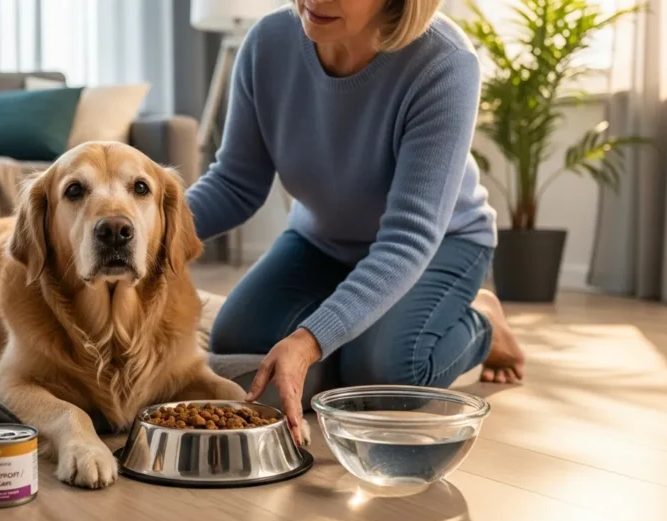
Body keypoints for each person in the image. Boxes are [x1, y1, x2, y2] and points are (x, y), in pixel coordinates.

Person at [185, 0, 525, 444]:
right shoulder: (267, 43)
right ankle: (358, 323)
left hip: (439, 244)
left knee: (381, 371)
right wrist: (148, 235)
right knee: (235, 338)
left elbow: (407, 239)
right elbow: (235, 182)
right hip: (322, 237)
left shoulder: (445, 63)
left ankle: (483, 322)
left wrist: (309, 340)